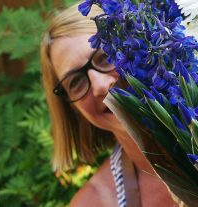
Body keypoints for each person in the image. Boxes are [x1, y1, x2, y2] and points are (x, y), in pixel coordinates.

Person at [40, 4, 180, 206]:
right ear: (72, 109)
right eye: (75, 82)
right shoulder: (90, 203)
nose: (100, 86)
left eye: (106, 56)